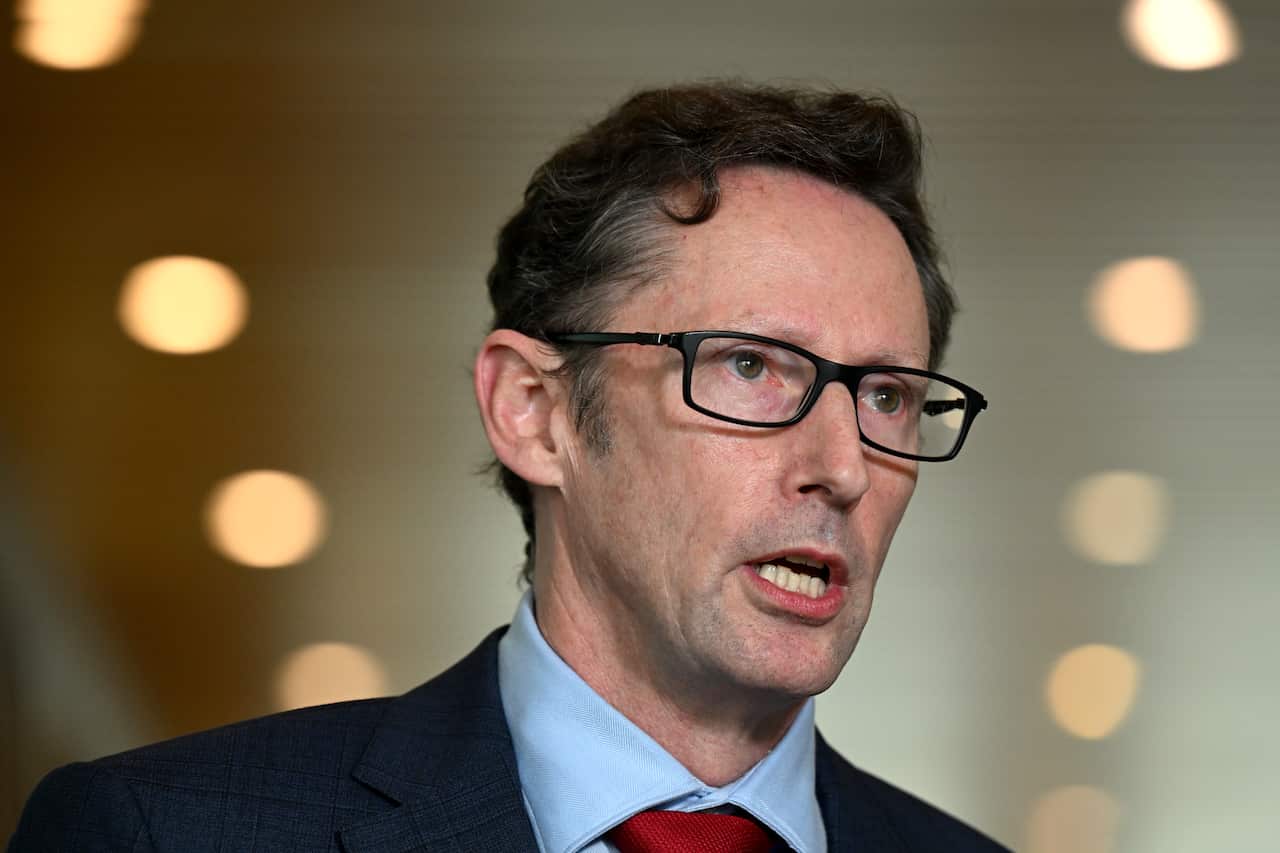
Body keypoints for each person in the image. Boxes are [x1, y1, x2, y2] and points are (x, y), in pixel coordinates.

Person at [9, 82, 1004, 852]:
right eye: (749, 365)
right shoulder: (159, 832)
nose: (841, 467)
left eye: (884, 397)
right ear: (533, 413)